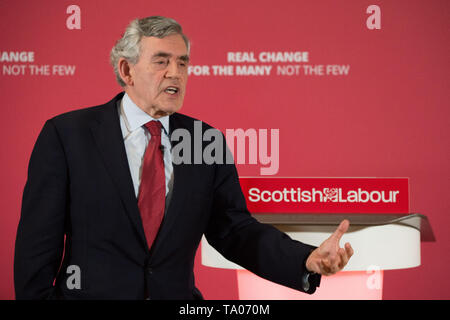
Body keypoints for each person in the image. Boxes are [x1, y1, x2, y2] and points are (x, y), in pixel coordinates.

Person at [14, 16, 353, 300]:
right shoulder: (67, 135)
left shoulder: (205, 140)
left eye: (182, 62)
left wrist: (306, 259)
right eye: (161, 61)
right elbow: (36, 247)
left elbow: (235, 230)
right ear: (127, 70)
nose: (175, 72)